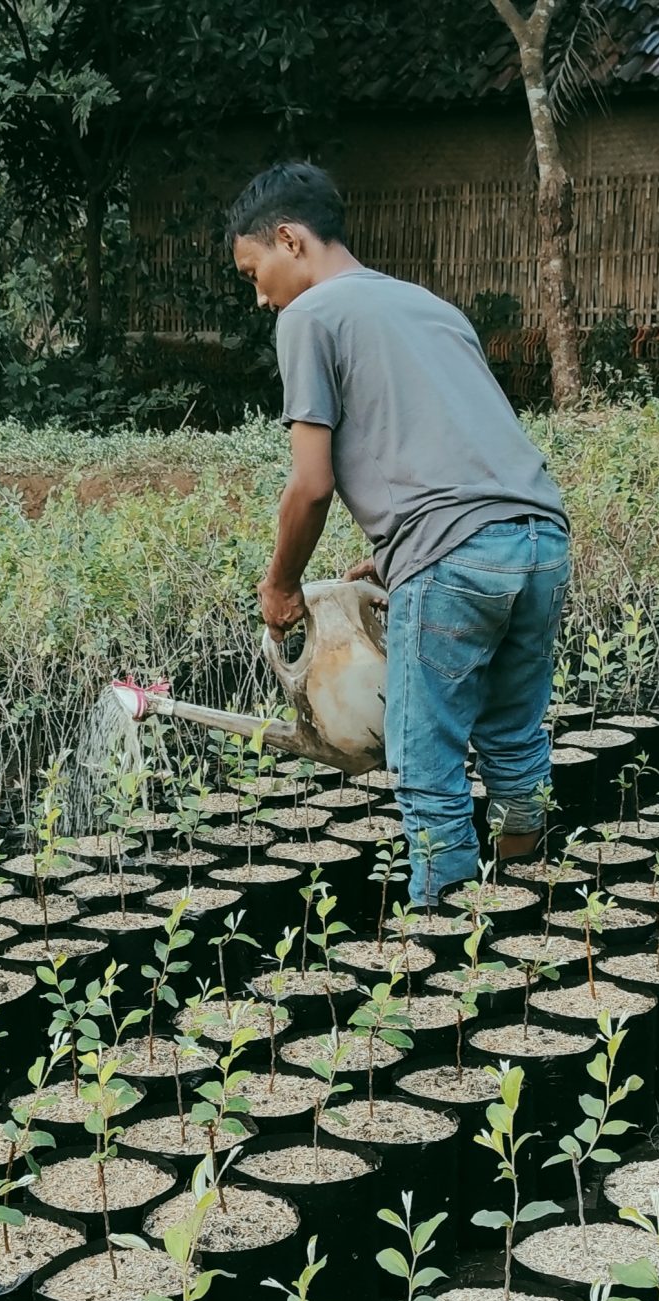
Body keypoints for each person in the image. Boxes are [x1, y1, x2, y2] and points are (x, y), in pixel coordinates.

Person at [226, 160, 573, 908]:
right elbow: (455, 445)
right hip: (542, 541)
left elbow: (310, 484)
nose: (259, 296)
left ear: (289, 240)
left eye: (256, 272)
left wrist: (281, 584)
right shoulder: (430, 306)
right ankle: (527, 911)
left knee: (427, 770)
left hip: (454, 559)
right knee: (514, 745)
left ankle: (451, 960)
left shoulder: (308, 317)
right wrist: (392, 554)